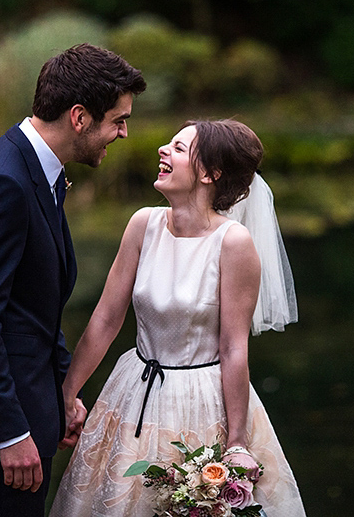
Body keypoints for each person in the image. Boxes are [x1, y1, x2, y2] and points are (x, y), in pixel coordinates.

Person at [0, 44, 146, 517]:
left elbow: (29, 311)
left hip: (27, 407)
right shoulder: (4, 183)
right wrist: (10, 433)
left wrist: (63, 388)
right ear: (79, 117)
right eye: (118, 120)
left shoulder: (38, 169)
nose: (123, 133)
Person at [50, 119, 305, 516]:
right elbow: (104, 319)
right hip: (134, 389)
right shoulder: (143, 224)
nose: (161, 151)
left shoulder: (233, 243)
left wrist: (236, 442)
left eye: (179, 148)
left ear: (209, 173)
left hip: (202, 398)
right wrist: (66, 394)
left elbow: (234, 347)